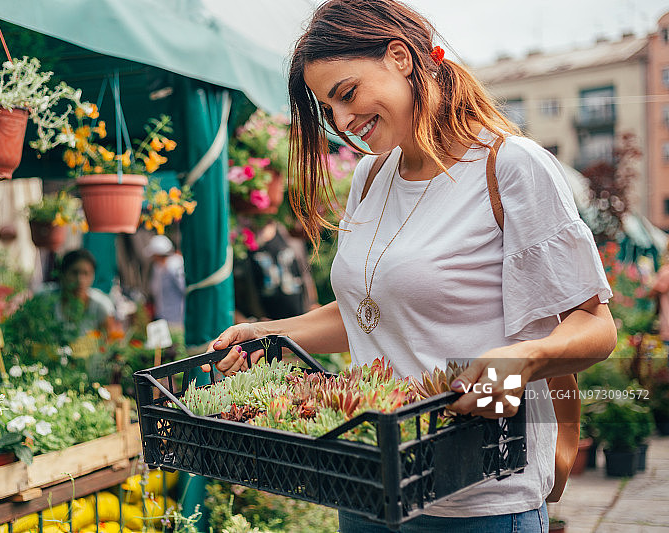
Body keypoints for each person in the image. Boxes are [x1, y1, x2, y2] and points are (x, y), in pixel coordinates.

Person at [207, 1, 617, 531]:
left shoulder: (509, 166)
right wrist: (268, 333)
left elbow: (595, 325)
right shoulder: (370, 177)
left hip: (479, 499)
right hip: (370, 486)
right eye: (328, 108)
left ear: (400, 57)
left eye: (347, 94)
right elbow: (368, 313)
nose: (341, 122)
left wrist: (524, 359)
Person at [34, 249, 121, 337]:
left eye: (86, 273)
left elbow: (109, 341)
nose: (80, 280)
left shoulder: (101, 307)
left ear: (93, 276)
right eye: (74, 273)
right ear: (62, 274)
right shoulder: (45, 298)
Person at [144, 235, 185, 328]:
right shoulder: (157, 267)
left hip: (178, 318)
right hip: (163, 316)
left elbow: (184, 288)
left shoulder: (175, 265)